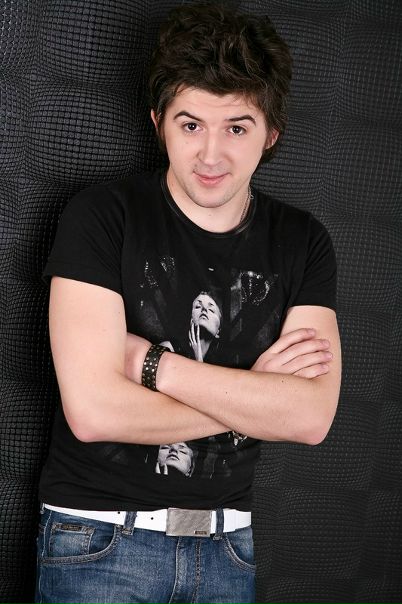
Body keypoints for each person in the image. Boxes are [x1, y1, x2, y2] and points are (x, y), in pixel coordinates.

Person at [35, 2, 341, 603]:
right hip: (97, 540)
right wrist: (258, 396)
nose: (210, 155)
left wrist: (154, 366)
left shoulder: (302, 241)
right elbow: (94, 412)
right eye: (191, 124)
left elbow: (309, 418)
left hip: (229, 547)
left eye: (237, 128)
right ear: (159, 123)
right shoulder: (102, 217)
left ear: (271, 133)